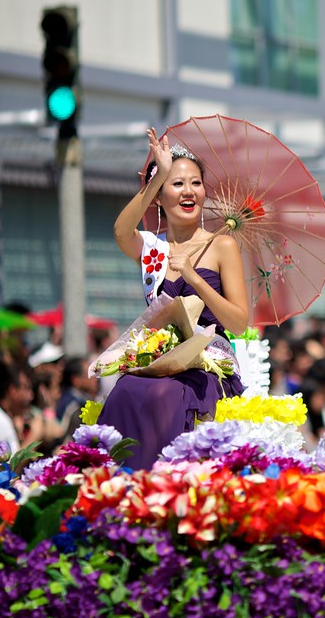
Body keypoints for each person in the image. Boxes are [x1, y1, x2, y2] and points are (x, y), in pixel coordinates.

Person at [96, 130, 248, 469]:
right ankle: (117, 487)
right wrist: (156, 176)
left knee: (166, 395)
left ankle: (161, 481)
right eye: (177, 184)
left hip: (206, 361)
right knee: (125, 389)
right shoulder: (153, 248)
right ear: (160, 197)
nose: (188, 191)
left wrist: (195, 279)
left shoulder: (221, 245)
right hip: (159, 356)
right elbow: (122, 232)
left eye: (195, 183)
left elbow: (239, 321)